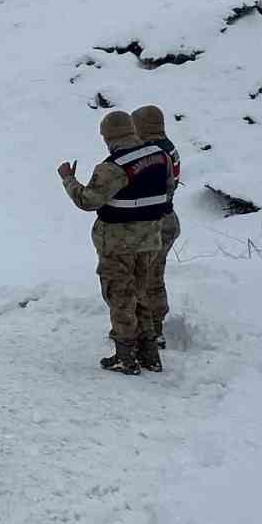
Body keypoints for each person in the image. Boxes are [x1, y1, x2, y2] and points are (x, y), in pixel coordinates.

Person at [59, 110, 171, 375]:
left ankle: (125, 356)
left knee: (120, 296)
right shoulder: (160, 156)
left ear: (109, 137)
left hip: (118, 243)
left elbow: (88, 200)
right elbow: (167, 191)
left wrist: (68, 179)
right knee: (143, 293)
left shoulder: (113, 167)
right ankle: (149, 353)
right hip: (150, 239)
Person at [132, 104, 181, 366]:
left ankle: (154, 331)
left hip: (157, 222)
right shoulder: (167, 146)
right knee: (149, 275)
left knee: (150, 277)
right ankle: (146, 326)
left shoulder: (154, 153)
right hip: (165, 219)